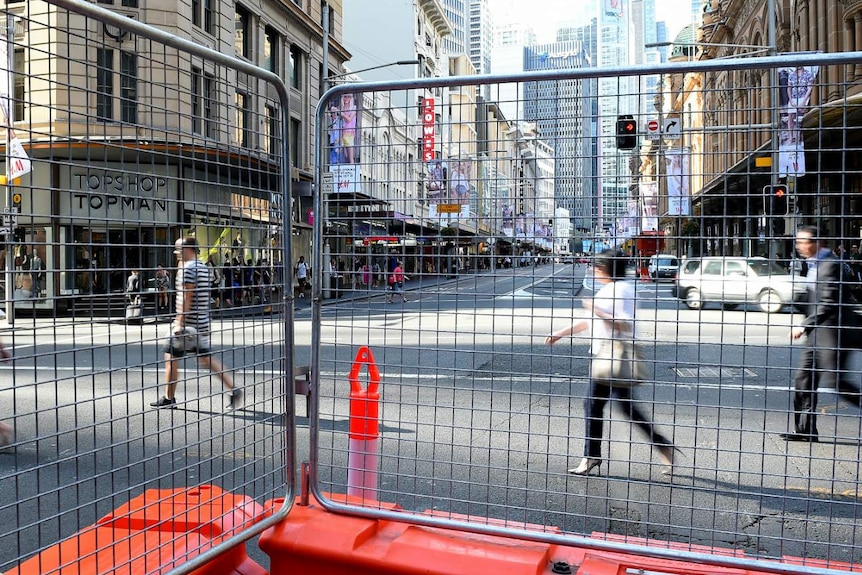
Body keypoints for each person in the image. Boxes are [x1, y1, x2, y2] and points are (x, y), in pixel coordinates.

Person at [545, 249, 678, 476]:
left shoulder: (622, 290)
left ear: (607, 267)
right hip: (604, 355)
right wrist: (561, 332)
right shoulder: (611, 289)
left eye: (596, 266)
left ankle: (592, 456)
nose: (593, 270)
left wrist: (594, 308)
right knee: (615, 407)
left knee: (598, 405)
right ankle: (662, 446)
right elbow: (590, 321)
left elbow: (623, 324)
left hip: (614, 356)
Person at [782, 226, 862, 442]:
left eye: (802, 242)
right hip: (817, 334)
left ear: (817, 243)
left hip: (834, 334)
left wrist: (804, 325)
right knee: (803, 379)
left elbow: (828, 301)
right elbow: (814, 298)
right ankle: (805, 431)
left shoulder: (830, 264)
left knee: (836, 382)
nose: (798, 246)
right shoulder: (814, 264)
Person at [151, 237, 242, 410]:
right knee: (206, 360)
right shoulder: (202, 266)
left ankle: (169, 398)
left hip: (188, 326)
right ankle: (233, 389)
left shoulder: (188, 269)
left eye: (178, 249)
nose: (176, 252)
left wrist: (179, 322)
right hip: (202, 323)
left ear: (188, 249)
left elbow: (187, 296)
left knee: (170, 357)